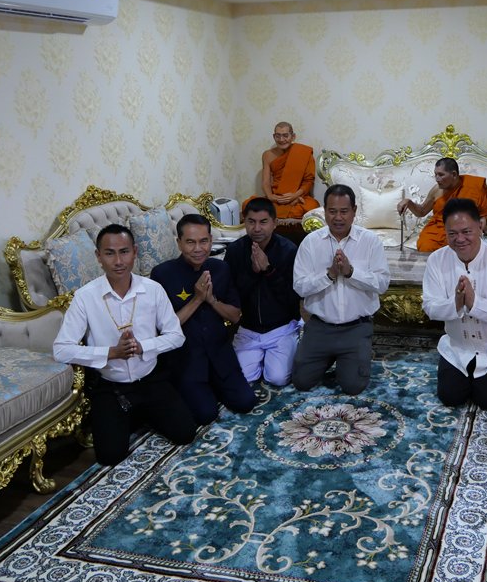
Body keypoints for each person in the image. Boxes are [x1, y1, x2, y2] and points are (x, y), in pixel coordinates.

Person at [53, 224, 197, 465]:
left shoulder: (153, 290)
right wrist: (112, 352)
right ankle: (131, 413)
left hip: (150, 378)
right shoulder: (85, 297)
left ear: (135, 252)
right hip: (111, 385)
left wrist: (143, 347)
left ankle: (140, 412)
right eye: (110, 253)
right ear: (98, 256)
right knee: (110, 456)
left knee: (185, 433)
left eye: (124, 252)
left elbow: (176, 336)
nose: (118, 261)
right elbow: (61, 349)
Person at [149, 214, 255, 425]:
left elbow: (235, 316)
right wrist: (197, 299)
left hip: (220, 353)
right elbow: (164, 329)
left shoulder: (220, 268)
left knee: (246, 402)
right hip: (187, 358)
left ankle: (213, 386)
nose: (198, 248)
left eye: (204, 241)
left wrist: (212, 300)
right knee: (206, 414)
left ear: (211, 240)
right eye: (190, 242)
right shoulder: (162, 274)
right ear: (179, 243)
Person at [422, 198, 487, 411]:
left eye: (466, 231)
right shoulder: (436, 261)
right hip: (458, 348)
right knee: (450, 397)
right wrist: (456, 304)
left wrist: (475, 303)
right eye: (452, 233)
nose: (460, 239)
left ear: (480, 227)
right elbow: (430, 307)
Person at [292, 184, 390, 395]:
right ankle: (329, 357)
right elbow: (299, 287)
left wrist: (350, 272)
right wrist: (329, 275)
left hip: (356, 327)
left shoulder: (370, 241)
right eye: (332, 211)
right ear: (324, 212)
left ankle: (347, 359)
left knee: (353, 386)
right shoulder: (310, 243)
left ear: (354, 211)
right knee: (301, 381)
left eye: (344, 211)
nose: (338, 217)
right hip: (320, 327)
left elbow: (382, 284)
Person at [225, 197, 302, 387]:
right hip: (248, 329)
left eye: (263, 222)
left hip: (281, 328)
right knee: (244, 378)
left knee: (277, 378)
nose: (257, 228)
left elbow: (292, 298)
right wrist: (253, 272)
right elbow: (232, 295)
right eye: (251, 222)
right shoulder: (235, 251)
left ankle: (295, 338)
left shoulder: (288, 251)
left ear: (274, 223)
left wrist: (269, 270)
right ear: (244, 222)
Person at [397, 157, 487, 252]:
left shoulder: (474, 186)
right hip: (439, 229)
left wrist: (477, 231)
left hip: (464, 229)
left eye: (441, 175)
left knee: (462, 245)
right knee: (426, 245)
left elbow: (482, 216)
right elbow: (422, 211)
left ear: (454, 174)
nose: (437, 179)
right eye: (435, 175)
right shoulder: (437, 190)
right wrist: (409, 202)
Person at [242, 121, 320, 220]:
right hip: (276, 198)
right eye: (278, 136)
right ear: (274, 136)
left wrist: (294, 196)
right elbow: (265, 182)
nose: (281, 139)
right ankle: (279, 208)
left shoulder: (304, 152)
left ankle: (276, 211)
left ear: (293, 137)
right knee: (247, 204)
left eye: (285, 136)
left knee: (313, 206)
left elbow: (308, 181)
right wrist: (270, 196)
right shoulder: (267, 155)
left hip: (297, 197)